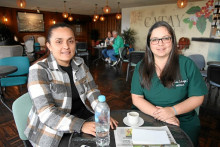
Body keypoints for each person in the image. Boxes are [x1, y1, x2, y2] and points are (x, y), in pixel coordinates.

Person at [24, 23, 118, 147]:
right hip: (51, 132)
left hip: (80, 118)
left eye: (70, 41)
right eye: (59, 42)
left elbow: (92, 90)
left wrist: (102, 113)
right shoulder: (38, 70)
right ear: (49, 46)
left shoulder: (80, 63)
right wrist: (81, 125)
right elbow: (47, 114)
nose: (66, 46)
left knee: (109, 138)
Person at [131, 21, 207, 146]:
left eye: (165, 38)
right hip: (148, 115)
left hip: (182, 118)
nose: (160, 43)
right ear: (149, 44)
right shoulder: (141, 66)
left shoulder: (187, 64)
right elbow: (137, 98)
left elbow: (198, 97)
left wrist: (172, 111)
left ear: (172, 40)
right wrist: (163, 115)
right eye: (155, 39)